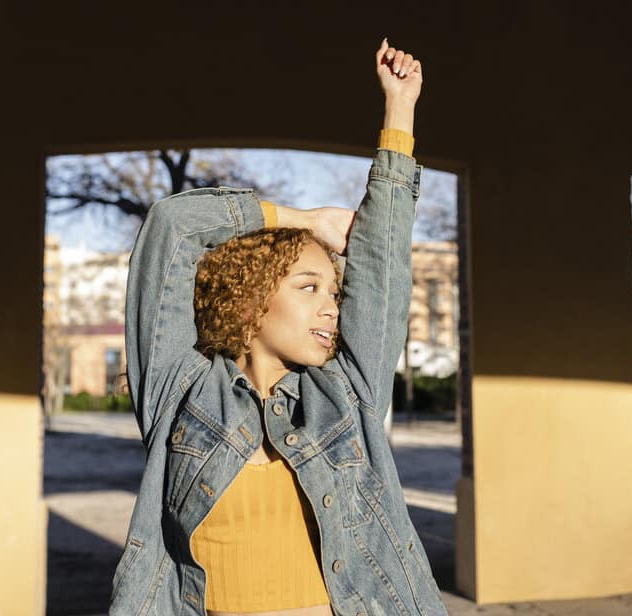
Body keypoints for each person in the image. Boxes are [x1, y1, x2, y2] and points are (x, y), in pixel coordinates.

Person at [109, 39, 448, 616]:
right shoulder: (180, 390)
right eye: (308, 287)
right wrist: (305, 221)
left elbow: (383, 267)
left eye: (334, 293)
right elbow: (171, 227)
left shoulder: (344, 391)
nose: (331, 308)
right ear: (250, 302)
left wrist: (399, 111)